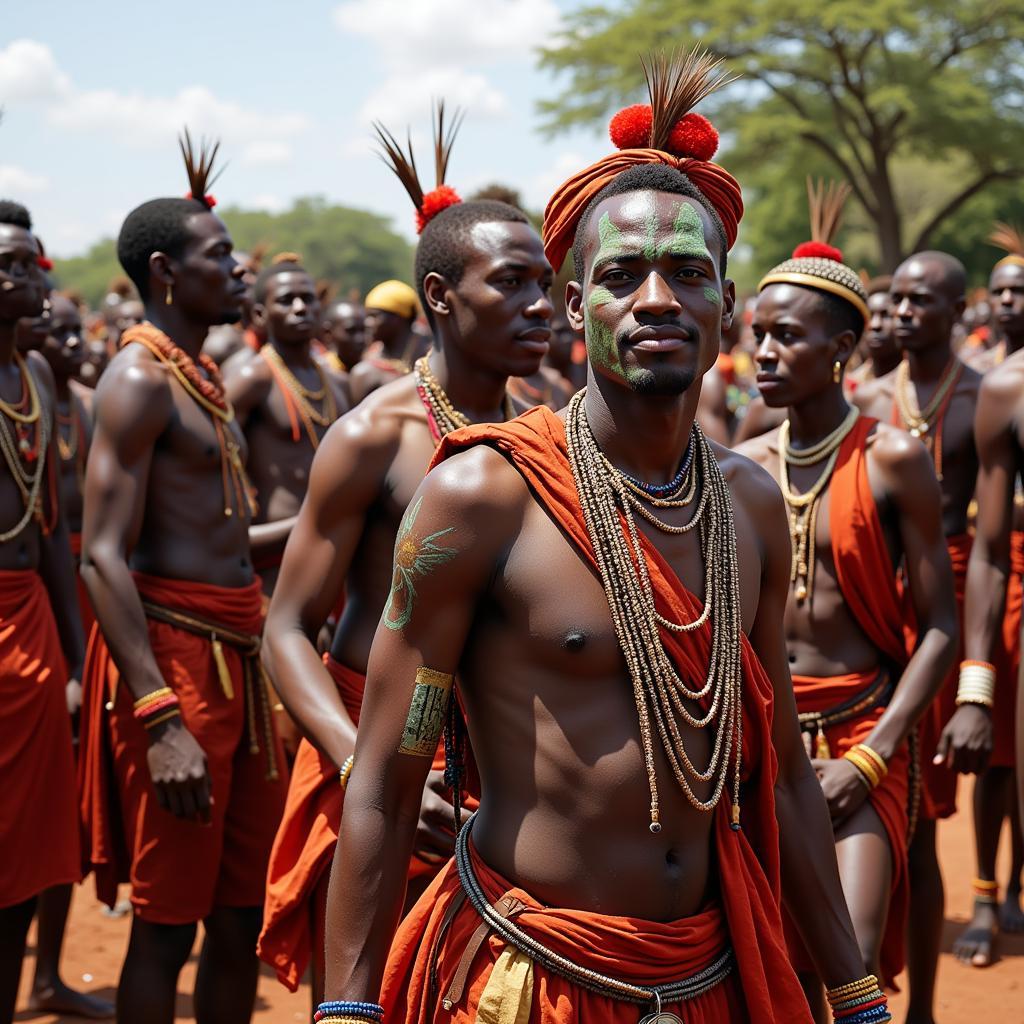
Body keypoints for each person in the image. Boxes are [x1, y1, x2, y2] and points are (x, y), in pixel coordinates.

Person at [319, 52, 891, 1024]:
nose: (657, 300)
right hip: (527, 971)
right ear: (576, 305)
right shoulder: (480, 495)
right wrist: (346, 1009)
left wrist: (853, 991)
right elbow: (386, 769)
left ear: (727, 307)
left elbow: (782, 772)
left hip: (706, 973)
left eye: (688, 274)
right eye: (622, 275)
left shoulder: (746, 503)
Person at [258, 105, 552, 1005]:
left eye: (547, 282)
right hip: (377, 762)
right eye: (512, 283)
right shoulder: (373, 437)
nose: (542, 304)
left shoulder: (547, 429)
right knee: (363, 989)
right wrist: (362, 765)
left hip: (497, 774)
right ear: (439, 297)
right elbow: (286, 631)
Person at [78, 135, 287, 1024]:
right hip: (179, 668)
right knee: (170, 925)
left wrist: (335, 528)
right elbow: (99, 554)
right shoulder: (137, 379)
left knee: (243, 914)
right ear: (167, 273)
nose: (237, 272)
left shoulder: (200, 375)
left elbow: (230, 537)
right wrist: (160, 716)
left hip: (243, 656)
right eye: (219, 259)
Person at [736, 182, 955, 1012]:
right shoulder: (743, 462)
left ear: (844, 348)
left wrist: (871, 757)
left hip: (866, 727)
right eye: (758, 334)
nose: (762, 354)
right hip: (772, 734)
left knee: (851, 961)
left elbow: (937, 628)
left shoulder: (893, 457)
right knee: (777, 961)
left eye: (786, 338)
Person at [854, 250, 981, 1024]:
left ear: (955, 310)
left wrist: (975, 682)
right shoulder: (868, 399)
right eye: (894, 300)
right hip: (875, 611)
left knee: (924, 823)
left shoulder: (982, 397)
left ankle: (926, 1010)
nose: (901, 313)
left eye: (919, 301)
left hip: (951, 598)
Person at [0, 200, 83, 1024]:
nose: (26, 277)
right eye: (9, 266)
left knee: (31, 844)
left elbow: (52, 530)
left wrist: (70, 656)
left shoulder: (37, 376)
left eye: (29, 263)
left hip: (28, 620)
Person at [30, 292, 112, 1020]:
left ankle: (47, 974)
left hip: (71, 599)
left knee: (59, 806)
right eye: (51, 328)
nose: (67, 337)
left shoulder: (81, 401)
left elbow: (64, 530)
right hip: (37, 602)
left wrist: (77, 658)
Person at [949, 226, 1024, 968]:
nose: (1009, 302)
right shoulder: (1002, 388)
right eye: (999, 290)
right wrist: (976, 685)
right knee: (1004, 759)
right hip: (1014, 589)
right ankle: (983, 892)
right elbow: (992, 546)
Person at [223, 253, 349, 596]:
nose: (300, 308)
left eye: (307, 299)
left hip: (333, 545)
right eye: (286, 300)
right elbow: (212, 458)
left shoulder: (336, 382)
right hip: (272, 553)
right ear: (261, 314)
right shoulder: (253, 378)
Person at [347, 280, 420, 404]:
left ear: (398, 318)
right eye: (367, 316)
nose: (367, 323)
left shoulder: (430, 354)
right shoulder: (365, 371)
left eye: (374, 316)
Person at [846, 278, 900, 393]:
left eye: (886, 315)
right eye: (869, 316)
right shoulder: (849, 388)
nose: (875, 325)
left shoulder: (916, 387)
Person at [321, 299, 368, 373]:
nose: (360, 339)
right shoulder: (323, 373)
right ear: (328, 333)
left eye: (364, 330)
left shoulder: (371, 371)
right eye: (351, 331)